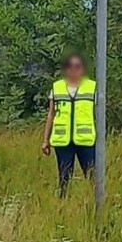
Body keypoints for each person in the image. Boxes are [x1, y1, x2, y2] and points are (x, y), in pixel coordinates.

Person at [41, 53, 97, 197]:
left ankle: (95, 205)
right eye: (70, 67)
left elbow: (100, 114)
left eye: (77, 67)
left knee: (92, 177)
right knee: (64, 177)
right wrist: (45, 140)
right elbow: (51, 114)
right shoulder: (57, 87)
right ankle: (63, 205)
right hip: (63, 141)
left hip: (86, 141)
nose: (73, 70)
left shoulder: (92, 87)